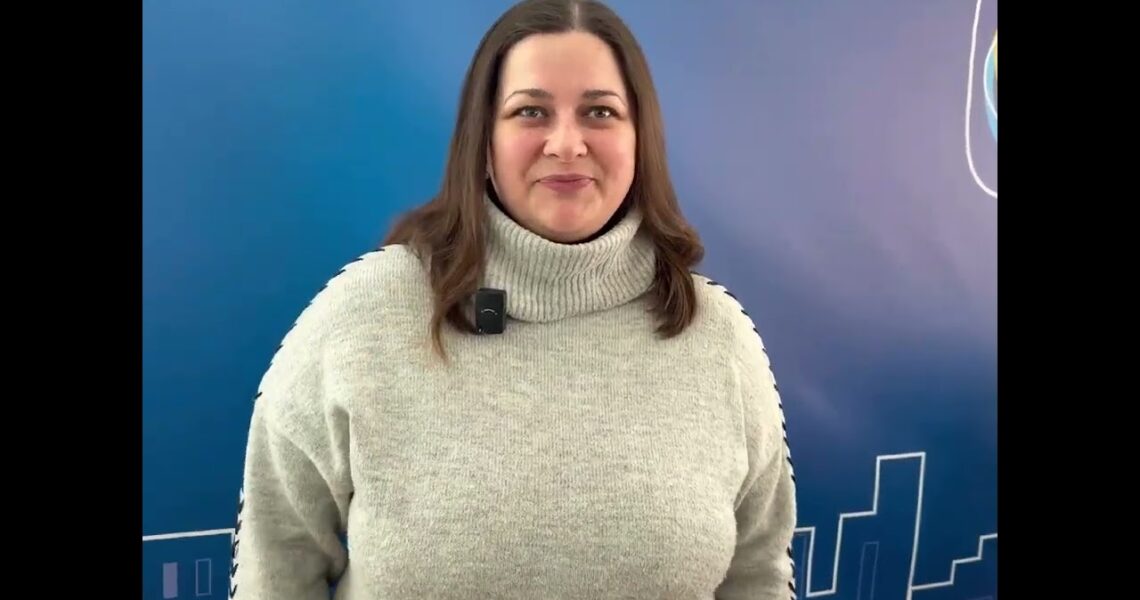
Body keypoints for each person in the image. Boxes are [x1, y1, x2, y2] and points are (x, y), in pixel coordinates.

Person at [228, 0, 797, 598]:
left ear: (640, 139)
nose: (567, 143)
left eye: (600, 111)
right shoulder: (363, 316)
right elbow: (276, 568)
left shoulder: (718, 337)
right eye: (531, 111)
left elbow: (757, 578)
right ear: (484, 141)